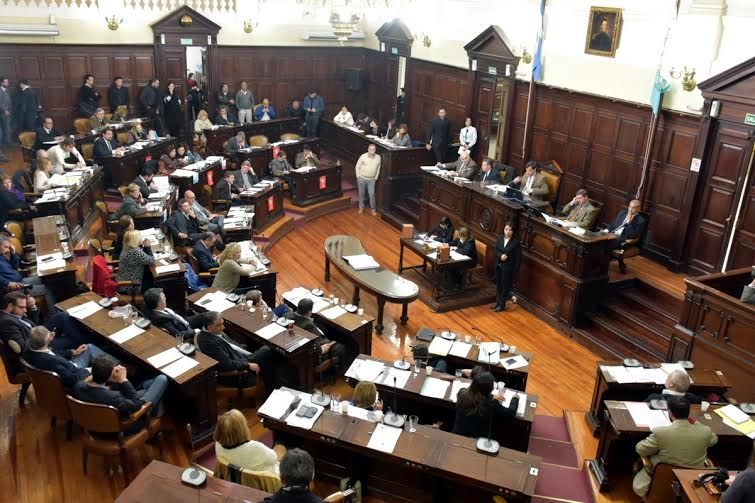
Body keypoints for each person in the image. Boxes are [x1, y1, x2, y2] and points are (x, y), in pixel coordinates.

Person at [632, 397, 718, 497]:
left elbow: (641, 449)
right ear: (688, 413)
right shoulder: (705, 431)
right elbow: (714, 439)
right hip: (692, 481)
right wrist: (695, 422)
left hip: (662, 479)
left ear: (670, 412)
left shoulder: (661, 432)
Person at [72, 355, 168, 423]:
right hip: (123, 426)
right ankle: (155, 414)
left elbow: (91, 384)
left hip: (92, 422)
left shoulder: (78, 386)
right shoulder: (114, 397)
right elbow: (137, 403)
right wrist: (123, 380)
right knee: (162, 379)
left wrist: (111, 379)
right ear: (109, 375)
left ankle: (156, 409)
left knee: (149, 386)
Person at [196, 311, 276, 390]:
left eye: (222, 323)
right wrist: (248, 364)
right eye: (219, 325)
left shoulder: (215, 331)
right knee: (267, 350)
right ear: (209, 327)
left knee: (268, 357)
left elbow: (233, 345)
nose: (223, 327)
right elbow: (227, 364)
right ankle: (272, 389)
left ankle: (272, 388)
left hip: (240, 358)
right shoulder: (208, 342)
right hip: (236, 372)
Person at [0, 291, 89, 357]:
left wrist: (32, 307)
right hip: (39, 344)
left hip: (38, 333)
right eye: (22, 307)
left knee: (62, 316)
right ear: (10, 306)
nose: (25, 310)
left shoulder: (12, 314)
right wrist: (46, 338)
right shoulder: (6, 322)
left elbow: (30, 324)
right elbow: (23, 348)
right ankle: (89, 340)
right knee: (72, 339)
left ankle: (85, 336)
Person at [23, 326, 113, 388]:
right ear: (49, 339)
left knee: (88, 347)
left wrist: (73, 352)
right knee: (100, 364)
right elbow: (72, 380)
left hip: (68, 365)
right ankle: (113, 367)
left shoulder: (29, 349)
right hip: (76, 373)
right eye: (49, 335)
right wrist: (89, 370)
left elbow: (53, 352)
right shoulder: (52, 363)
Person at [453, 370, 519, 439]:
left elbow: (476, 394)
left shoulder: (461, 392)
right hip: (479, 437)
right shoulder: (491, 403)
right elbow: (511, 412)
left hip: (458, 432)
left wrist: (492, 396)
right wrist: (515, 399)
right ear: (490, 389)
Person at [215, 409, 283, 475]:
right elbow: (274, 458)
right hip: (269, 480)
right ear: (242, 428)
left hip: (238, 479)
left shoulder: (218, 445)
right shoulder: (255, 447)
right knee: (281, 447)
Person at [290, 298, 346, 373]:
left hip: (299, 348)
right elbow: (318, 345)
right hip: (316, 353)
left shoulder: (289, 316)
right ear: (309, 312)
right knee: (342, 346)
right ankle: (340, 370)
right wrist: (325, 347)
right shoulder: (308, 325)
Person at [116, 229, 155, 294]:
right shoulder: (135, 251)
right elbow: (151, 261)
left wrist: (144, 247)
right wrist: (148, 247)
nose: (141, 238)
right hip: (132, 285)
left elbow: (142, 257)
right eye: (139, 237)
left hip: (125, 280)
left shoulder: (126, 248)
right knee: (154, 280)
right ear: (135, 240)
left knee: (149, 273)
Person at [493, 222, 521, 312]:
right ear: (504, 230)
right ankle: (497, 302)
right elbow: (496, 249)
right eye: (506, 229)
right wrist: (500, 256)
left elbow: (518, 258)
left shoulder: (516, 243)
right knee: (498, 285)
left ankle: (502, 304)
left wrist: (515, 271)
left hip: (508, 268)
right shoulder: (500, 238)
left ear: (513, 231)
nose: (508, 231)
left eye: (510, 230)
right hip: (498, 265)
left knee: (505, 287)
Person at [355, 143, 380, 215]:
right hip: (362, 178)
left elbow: (378, 168)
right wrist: (358, 176)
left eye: (374, 149)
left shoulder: (378, 157)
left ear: (375, 150)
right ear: (368, 150)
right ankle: (361, 208)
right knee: (361, 194)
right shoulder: (363, 156)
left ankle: (373, 209)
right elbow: (357, 166)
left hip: (372, 180)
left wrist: (376, 177)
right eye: (371, 149)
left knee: (372, 194)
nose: (372, 151)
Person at [0, 76, 12, 145]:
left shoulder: (7, 90)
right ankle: (8, 142)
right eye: (6, 82)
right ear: (1, 83)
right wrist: (5, 110)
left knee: (8, 127)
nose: (7, 83)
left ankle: (7, 141)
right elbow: (0, 102)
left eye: (7, 82)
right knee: (7, 127)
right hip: (4, 112)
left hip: (8, 112)